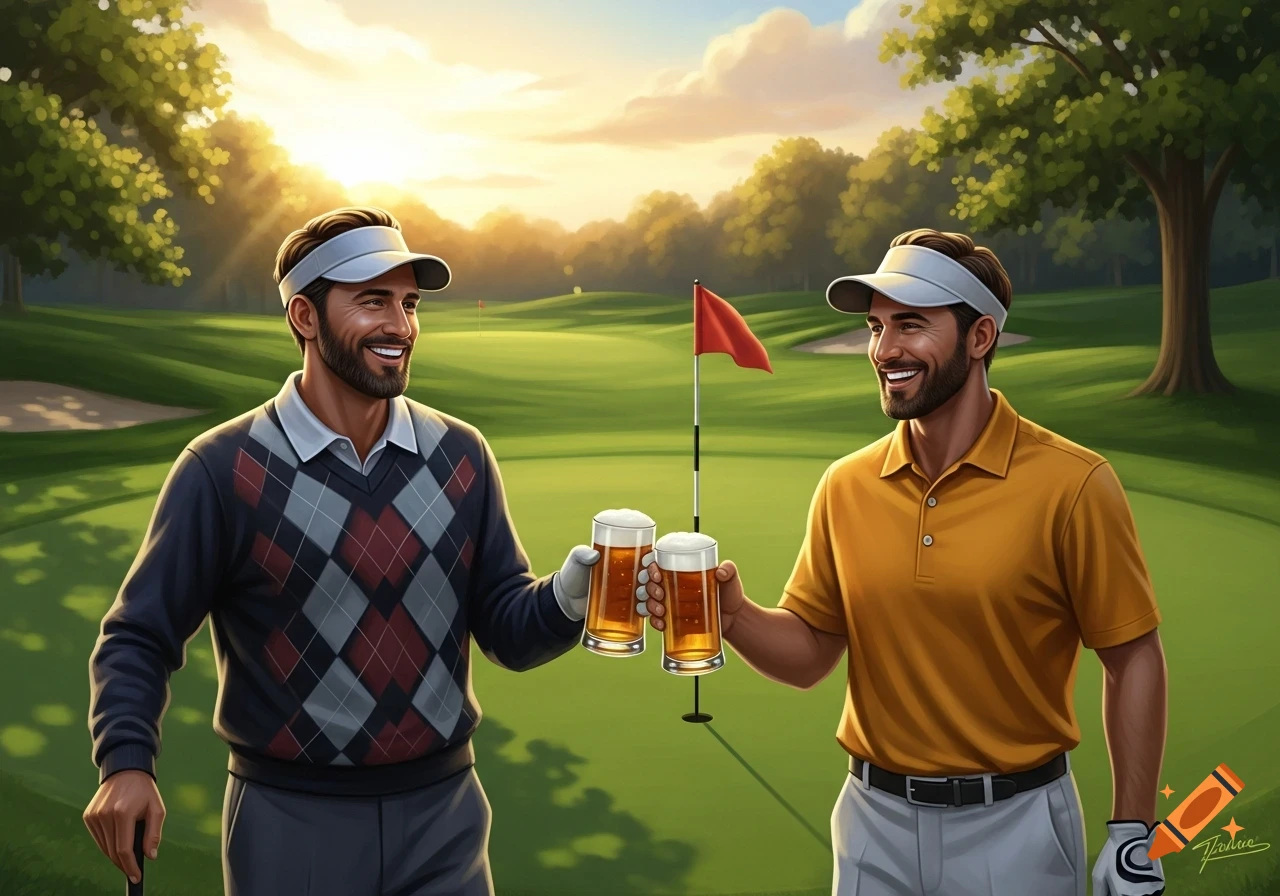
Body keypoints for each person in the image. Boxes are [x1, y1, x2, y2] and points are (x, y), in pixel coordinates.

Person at [83, 206, 601, 895]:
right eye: (372, 301)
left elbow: (505, 628)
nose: (401, 326)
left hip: (445, 816)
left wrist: (570, 592)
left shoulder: (461, 455)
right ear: (305, 316)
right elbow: (137, 636)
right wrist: (125, 764)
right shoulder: (222, 469)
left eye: (410, 304)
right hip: (290, 823)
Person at [638, 228, 1168, 896]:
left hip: (1015, 829)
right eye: (876, 326)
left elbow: (1133, 656)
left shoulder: (1073, 484)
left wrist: (1132, 831)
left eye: (911, 325)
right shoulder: (847, 485)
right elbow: (809, 657)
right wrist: (736, 614)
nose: (885, 350)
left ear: (980, 338)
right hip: (872, 824)